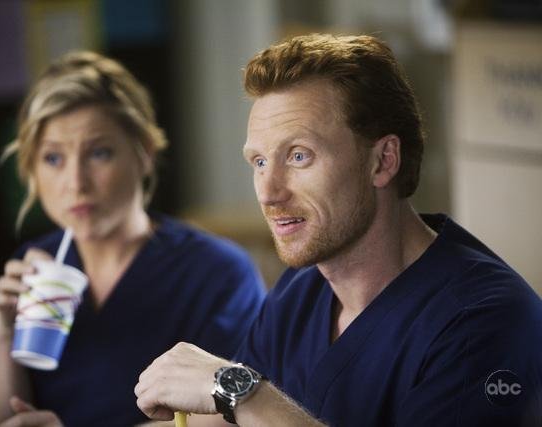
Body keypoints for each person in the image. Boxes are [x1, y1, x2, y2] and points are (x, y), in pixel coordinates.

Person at [134, 33, 542, 426]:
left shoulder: (483, 322)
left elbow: (245, 402)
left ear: (383, 161)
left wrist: (239, 389)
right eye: (259, 162)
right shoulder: (301, 291)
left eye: (298, 156)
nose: (269, 193)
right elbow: (229, 419)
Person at [0, 51, 266, 427]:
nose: (75, 183)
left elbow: (240, 414)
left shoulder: (216, 273)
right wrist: (4, 333)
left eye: (99, 153)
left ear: (144, 154)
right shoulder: (37, 264)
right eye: (53, 159)